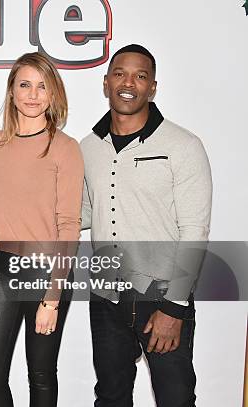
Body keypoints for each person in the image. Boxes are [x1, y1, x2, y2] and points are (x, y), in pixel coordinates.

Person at [80, 44, 212, 406]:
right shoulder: (88, 147)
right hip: (106, 297)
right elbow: (86, 211)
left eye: (141, 76)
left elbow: (195, 231)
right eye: (120, 73)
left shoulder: (183, 145)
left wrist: (174, 309)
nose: (129, 83)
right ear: (106, 82)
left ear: (153, 87)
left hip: (162, 297)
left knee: (175, 399)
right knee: (111, 398)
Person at [0, 52, 84, 406]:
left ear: (54, 94)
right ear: (12, 91)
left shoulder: (65, 148)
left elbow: (69, 226)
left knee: (41, 372)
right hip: (1, 267)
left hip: (49, 271)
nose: (33, 94)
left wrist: (52, 298)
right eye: (25, 85)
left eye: (42, 86)